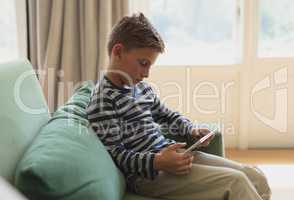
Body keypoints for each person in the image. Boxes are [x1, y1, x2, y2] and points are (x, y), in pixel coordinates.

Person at [86, 13, 271, 200]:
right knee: (236, 181)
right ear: (117, 52)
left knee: (255, 176)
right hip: (148, 176)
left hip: (172, 156)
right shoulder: (103, 101)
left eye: (150, 66)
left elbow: (167, 115)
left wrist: (190, 129)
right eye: (143, 63)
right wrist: (158, 162)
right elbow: (117, 156)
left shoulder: (140, 88)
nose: (147, 73)